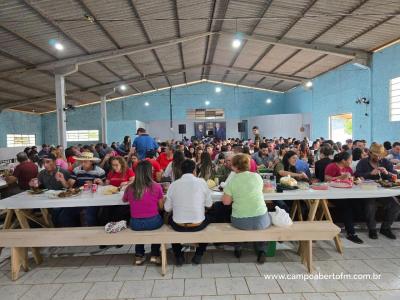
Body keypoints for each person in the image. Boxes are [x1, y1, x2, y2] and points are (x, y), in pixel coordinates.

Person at [221, 154, 271, 263]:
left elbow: (226, 202)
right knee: (267, 217)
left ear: (234, 167)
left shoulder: (232, 181)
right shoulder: (257, 176)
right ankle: (262, 250)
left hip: (241, 222)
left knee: (234, 215)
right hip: (261, 220)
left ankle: (238, 247)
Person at [164, 159, 212, 265]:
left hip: (178, 225)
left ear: (181, 171)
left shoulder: (174, 184)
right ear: (194, 170)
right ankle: (199, 253)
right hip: (198, 224)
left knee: (170, 220)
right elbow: (209, 205)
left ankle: (178, 255)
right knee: (209, 218)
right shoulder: (202, 182)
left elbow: (167, 209)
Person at [123, 161, 164, 265]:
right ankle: (155, 254)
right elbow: (161, 206)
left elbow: (124, 200)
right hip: (153, 222)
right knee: (160, 220)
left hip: (135, 223)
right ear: (149, 172)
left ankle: (139, 256)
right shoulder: (157, 186)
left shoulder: (130, 187)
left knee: (139, 229)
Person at [355, 143, 400, 240]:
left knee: (395, 205)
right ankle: (372, 229)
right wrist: (369, 173)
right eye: (376, 155)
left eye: (380, 155)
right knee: (370, 206)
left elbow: (395, 176)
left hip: (383, 192)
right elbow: (356, 176)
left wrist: (387, 172)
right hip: (367, 192)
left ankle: (385, 228)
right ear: (370, 153)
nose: (378, 157)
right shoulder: (363, 162)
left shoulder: (385, 162)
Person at [324, 152, 363, 244]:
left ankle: (350, 225)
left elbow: (351, 179)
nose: (351, 161)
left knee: (357, 203)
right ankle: (351, 233)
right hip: (332, 194)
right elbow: (326, 179)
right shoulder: (332, 166)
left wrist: (356, 180)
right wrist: (341, 177)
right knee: (347, 207)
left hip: (346, 193)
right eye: (350, 160)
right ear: (343, 160)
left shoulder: (348, 168)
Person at [71, 152, 106, 226]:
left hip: (94, 199)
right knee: (67, 213)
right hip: (78, 197)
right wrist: (63, 180)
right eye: (81, 161)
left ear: (91, 162)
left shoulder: (100, 171)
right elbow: (69, 185)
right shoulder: (76, 170)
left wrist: (97, 183)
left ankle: (93, 233)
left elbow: (104, 187)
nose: (83, 164)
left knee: (89, 215)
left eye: (85, 162)